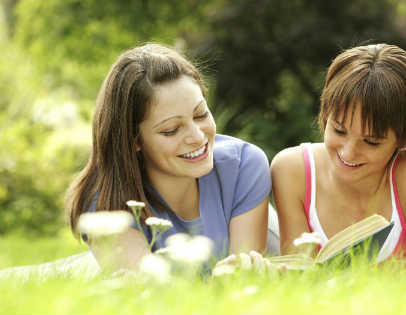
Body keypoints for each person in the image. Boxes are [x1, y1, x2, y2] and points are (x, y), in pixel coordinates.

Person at [65, 43, 272, 270]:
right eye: (171, 130)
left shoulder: (245, 165)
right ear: (134, 141)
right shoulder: (105, 202)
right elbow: (151, 292)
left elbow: (243, 280)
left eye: (201, 114)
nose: (196, 136)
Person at [270, 43, 406, 262]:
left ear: (403, 138)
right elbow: (298, 275)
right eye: (339, 130)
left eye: (371, 142)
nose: (349, 152)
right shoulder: (291, 171)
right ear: (325, 113)